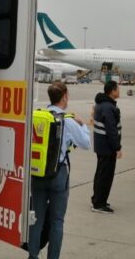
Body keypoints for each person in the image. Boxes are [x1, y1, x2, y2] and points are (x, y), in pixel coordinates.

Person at [28, 82, 91, 259]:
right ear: (64, 96)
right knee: (57, 221)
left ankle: (32, 255)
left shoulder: (37, 116)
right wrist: (83, 125)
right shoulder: (68, 120)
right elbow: (86, 144)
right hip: (58, 175)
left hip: (37, 173)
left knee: (36, 219)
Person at [91, 80, 122, 213]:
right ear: (112, 91)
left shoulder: (102, 105)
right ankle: (99, 204)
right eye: (117, 89)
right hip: (107, 148)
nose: (119, 91)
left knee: (101, 174)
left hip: (102, 147)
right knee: (105, 176)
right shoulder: (108, 108)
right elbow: (111, 130)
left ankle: (98, 199)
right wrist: (117, 147)